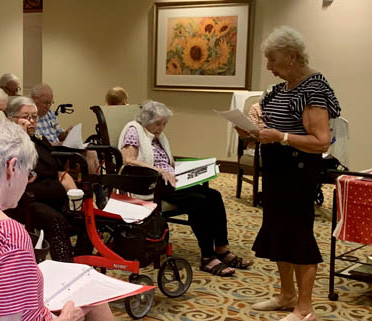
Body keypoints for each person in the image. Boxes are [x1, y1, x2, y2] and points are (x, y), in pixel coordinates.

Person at [0, 120, 114, 321]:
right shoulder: (8, 237)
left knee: (93, 299)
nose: (28, 182)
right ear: (12, 167)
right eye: (30, 174)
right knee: (95, 300)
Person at [238, 26, 340, 321]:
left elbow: (321, 141)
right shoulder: (282, 89)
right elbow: (268, 127)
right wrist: (251, 130)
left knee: (298, 237)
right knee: (278, 234)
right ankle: (286, 295)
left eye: (272, 59)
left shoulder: (314, 88)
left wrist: (281, 137)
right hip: (276, 169)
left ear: (292, 57)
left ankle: (305, 309)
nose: (268, 66)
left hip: (297, 172)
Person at [118, 100, 252, 277]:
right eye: (158, 123)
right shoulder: (134, 130)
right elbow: (129, 161)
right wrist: (159, 171)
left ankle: (221, 248)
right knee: (199, 201)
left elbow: (168, 162)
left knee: (214, 195)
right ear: (145, 119)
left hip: (170, 180)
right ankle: (207, 257)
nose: (161, 128)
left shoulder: (156, 135)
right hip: (150, 183)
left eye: (164, 124)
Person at [5, 96, 85, 262]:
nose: (31, 121)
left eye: (34, 116)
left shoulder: (41, 141)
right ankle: (64, 269)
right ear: (10, 119)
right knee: (56, 222)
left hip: (55, 196)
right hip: (26, 200)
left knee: (85, 217)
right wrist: (21, 137)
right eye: (25, 117)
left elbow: (60, 173)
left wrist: (75, 195)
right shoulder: (7, 143)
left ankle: (79, 261)